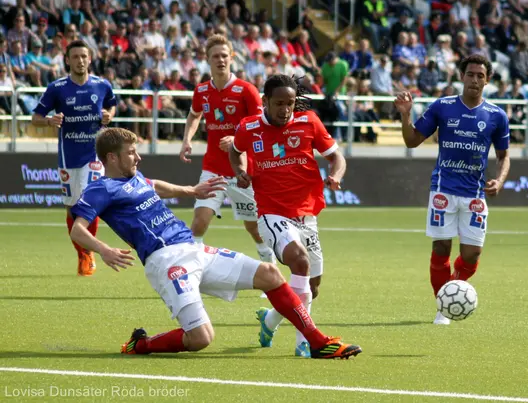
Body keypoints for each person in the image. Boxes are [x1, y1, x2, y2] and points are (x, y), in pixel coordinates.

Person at [69, 127, 361, 360]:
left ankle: (318, 343)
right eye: (131, 153)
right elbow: (78, 230)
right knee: (200, 339)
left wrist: (190, 190)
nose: (138, 158)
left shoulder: (136, 176)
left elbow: (153, 184)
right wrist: (104, 250)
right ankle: (141, 345)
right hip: (166, 261)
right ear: (111, 158)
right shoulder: (100, 188)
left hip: (194, 248)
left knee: (271, 274)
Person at [230, 74, 347, 357]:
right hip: (271, 212)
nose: (285, 109)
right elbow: (235, 151)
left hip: (306, 212)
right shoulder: (250, 127)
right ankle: (303, 343)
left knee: (312, 287)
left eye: (290, 103)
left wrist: (335, 175)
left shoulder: (309, 122)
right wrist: (240, 172)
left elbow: (336, 156)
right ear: (265, 101)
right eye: (279, 103)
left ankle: (269, 319)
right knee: (299, 260)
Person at [394, 54, 511, 326]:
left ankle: (451, 290)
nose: (474, 80)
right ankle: (443, 306)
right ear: (461, 76)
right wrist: (406, 115)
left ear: (488, 80)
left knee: (472, 255)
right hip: (443, 190)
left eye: (480, 75)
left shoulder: (496, 115)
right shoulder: (442, 107)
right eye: (470, 74)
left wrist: (500, 179)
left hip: (475, 194)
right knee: (442, 247)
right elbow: (412, 141)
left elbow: (504, 155)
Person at [179, 34, 275, 265]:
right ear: (207, 59)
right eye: (215, 56)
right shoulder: (201, 91)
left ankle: (270, 267)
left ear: (231, 57)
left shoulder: (246, 90)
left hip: (243, 171)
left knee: (254, 228)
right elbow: (194, 115)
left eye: (224, 55)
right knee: (199, 223)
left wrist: (236, 138)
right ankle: (193, 271)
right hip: (213, 168)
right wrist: (187, 139)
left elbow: (261, 126)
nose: (220, 60)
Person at [31, 39, 116, 276]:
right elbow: (35, 118)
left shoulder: (102, 85)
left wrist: (109, 115)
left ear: (90, 59)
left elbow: (112, 106)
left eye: (84, 56)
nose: (80, 60)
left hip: (94, 155)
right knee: (71, 209)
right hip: (68, 158)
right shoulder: (57, 88)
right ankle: (83, 253)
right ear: (67, 60)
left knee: (90, 205)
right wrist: (49, 120)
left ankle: (88, 254)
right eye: (75, 57)